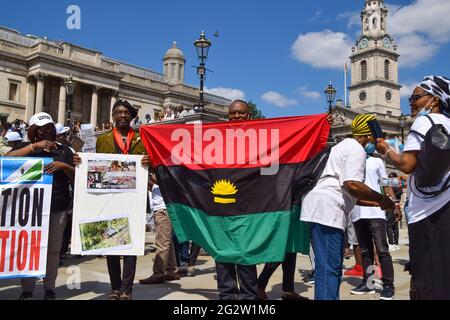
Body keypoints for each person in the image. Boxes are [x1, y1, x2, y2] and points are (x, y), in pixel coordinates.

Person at [300, 114, 395, 300]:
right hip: (328, 209)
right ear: (369, 136)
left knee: (329, 267)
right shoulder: (356, 150)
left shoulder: (342, 146)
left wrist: (378, 202)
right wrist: (382, 199)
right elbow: (352, 184)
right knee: (330, 267)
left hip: (323, 206)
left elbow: (351, 193)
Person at [375, 76, 450, 300]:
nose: (411, 102)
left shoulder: (424, 122)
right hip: (446, 205)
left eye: (416, 97)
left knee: (426, 277)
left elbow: (407, 164)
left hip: (427, 211)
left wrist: (386, 150)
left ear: (434, 100)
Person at [73, 99, 151, 300]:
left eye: (126, 112)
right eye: (118, 112)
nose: (122, 115)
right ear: (113, 116)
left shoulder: (142, 139)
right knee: (112, 243)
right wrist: (80, 162)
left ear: (132, 116)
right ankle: (115, 287)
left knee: (132, 245)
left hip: (134, 199)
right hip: (109, 197)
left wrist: (149, 161)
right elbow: (96, 165)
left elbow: (154, 164)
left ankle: (127, 289)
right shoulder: (103, 139)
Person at [9, 113, 75, 300]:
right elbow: (6, 159)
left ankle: (49, 288)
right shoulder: (26, 148)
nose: (47, 130)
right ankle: (27, 289)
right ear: (33, 130)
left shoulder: (65, 150)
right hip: (30, 209)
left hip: (57, 206)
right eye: (42, 128)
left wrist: (64, 166)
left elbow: (77, 176)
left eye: (50, 127)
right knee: (28, 247)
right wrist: (34, 147)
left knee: (53, 250)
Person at [215, 100, 258, 300]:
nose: (237, 117)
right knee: (223, 253)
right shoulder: (217, 140)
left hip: (248, 208)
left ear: (248, 115)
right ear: (228, 115)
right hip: (221, 206)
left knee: (245, 254)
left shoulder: (259, 140)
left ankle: (249, 297)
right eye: (233, 113)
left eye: (241, 113)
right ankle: (227, 297)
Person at [349, 140, 400, 300]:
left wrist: (395, 203)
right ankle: (369, 283)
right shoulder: (352, 162)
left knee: (382, 250)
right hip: (357, 212)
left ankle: (388, 286)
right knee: (365, 251)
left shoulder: (377, 161)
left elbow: (385, 183)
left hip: (376, 212)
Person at [139, 173, 180, 285]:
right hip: (161, 207)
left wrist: (149, 175)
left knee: (162, 242)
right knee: (167, 241)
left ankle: (158, 273)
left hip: (163, 208)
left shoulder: (165, 170)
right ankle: (172, 269)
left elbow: (165, 183)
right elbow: (155, 187)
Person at [386, 172, 402, 251]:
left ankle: (392, 243)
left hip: (392, 206)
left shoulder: (395, 185)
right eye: (389, 177)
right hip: (395, 205)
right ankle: (395, 243)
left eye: (391, 177)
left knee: (390, 225)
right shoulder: (398, 185)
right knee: (394, 226)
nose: (390, 178)